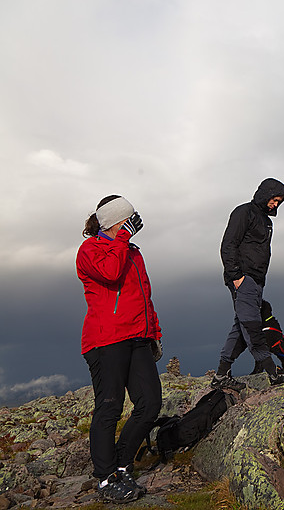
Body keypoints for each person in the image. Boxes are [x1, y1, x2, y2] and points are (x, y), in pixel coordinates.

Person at [76, 195, 163, 504]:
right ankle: (106, 477)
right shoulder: (90, 250)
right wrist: (123, 237)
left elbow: (143, 295)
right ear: (117, 221)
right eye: (128, 220)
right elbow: (111, 274)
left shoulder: (130, 251)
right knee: (110, 407)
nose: (134, 223)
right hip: (105, 340)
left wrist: (154, 334)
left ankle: (121, 464)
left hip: (137, 337)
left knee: (150, 403)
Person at [212, 178, 284, 390]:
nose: (275, 205)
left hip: (256, 281)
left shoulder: (266, 221)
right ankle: (272, 373)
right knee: (252, 325)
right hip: (243, 279)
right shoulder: (243, 212)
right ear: (265, 194)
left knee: (240, 327)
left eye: (278, 202)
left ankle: (221, 375)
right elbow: (228, 245)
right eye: (274, 200)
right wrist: (237, 276)